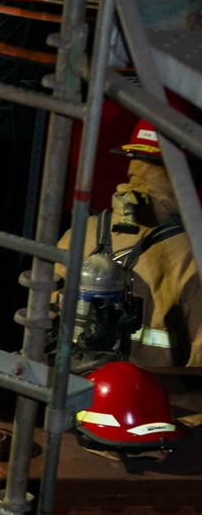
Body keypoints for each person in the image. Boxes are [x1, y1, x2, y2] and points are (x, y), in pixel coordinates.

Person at [57, 119, 202, 369]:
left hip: (67, 393)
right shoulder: (192, 255)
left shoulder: (77, 234)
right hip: (146, 403)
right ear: (187, 172)